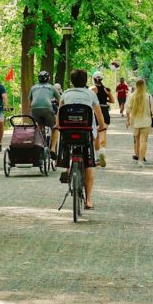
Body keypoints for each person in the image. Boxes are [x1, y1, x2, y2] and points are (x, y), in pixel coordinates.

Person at [58, 69, 107, 210]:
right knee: (89, 164)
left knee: (66, 143)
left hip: (67, 132)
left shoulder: (66, 94)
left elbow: (59, 113)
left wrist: (57, 126)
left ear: (72, 81)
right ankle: (89, 200)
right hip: (86, 133)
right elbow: (99, 115)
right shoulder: (91, 94)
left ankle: (67, 168)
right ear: (85, 81)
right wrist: (102, 127)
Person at [29, 70, 61, 151]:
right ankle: (53, 149)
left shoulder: (33, 87)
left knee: (39, 125)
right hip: (47, 108)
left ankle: (40, 146)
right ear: (48, 78)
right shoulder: (52, 87)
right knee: (55, 127)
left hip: (35, 109)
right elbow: (60, 100)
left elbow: (30, 103)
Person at [125, 79, 153, 166]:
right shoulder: (148, 96)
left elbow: (128, 110)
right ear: (144, 86)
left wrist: (127, 120)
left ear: (136, 86)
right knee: (143, 141)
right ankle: (141, 160)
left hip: (135, 122)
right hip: (146, 122)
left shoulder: (132, 96)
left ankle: (138, 157)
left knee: (136, 140)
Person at [91, 71, 114, 150]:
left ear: (93, 79)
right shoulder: (106, 89)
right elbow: (112, 101)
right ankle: (102, 155)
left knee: (96, 136)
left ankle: (97, 157)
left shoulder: (93, 88)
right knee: (103, 133)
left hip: (96, 112)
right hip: (105, 111)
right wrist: (105, 100)